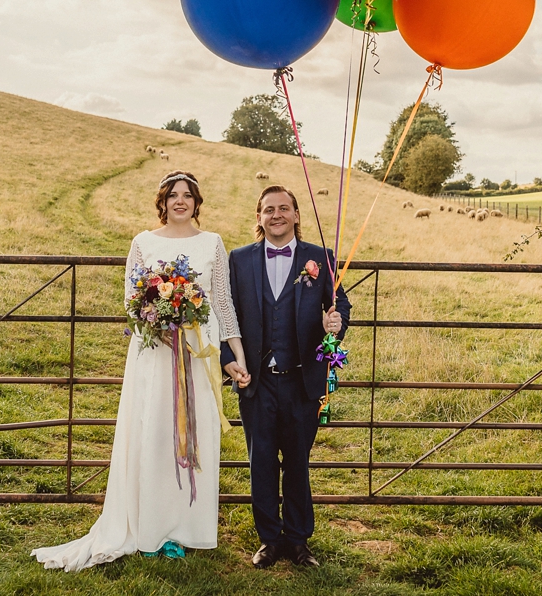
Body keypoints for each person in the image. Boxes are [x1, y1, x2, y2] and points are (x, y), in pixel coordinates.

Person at [32, 171, 250, 570]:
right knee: (152, 433)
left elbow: (223, 304)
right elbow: (132, 302)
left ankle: (185, 530)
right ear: (162, 202)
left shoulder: (213, 244)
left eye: (187, 195)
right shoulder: (142, 242)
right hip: (153, 354)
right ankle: (149, 527)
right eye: (173, 196)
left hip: (197, 354)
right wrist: (155, 325)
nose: (180, 202)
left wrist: (237, 356)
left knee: (191, 436)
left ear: (197, 203)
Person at [222, 184, 350, 569]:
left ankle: (298, 541)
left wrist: (335, 322)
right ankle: (268, 540)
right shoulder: (239, 259)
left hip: (302, 380)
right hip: (256, 382)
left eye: (283, 208)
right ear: (258, 218)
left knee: (297, 461)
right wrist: (230, 358)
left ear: (296, 215)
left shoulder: (319, 257)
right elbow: (225, 313)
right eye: (268, 209)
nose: (276, 215)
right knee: (260, 460)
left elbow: (339, 301)